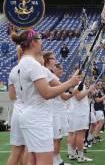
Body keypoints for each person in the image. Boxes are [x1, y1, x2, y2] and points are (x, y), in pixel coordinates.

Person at [8, 29, 80, 165]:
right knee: (44, 160)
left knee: (33, 159)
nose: (42, 43)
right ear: (34, 42)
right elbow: (46, 93)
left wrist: (69, 83)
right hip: (37, 118)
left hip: (27, 116)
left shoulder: (21, 65)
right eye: (40, 39)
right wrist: (70, 83)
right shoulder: (32, 65)